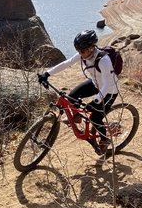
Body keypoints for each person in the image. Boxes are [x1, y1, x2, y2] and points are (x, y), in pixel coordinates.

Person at [37, 29, 119, 157]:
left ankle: (104, 139)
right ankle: (77, 117)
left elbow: (107, 85)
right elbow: (67, 63)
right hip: (95, 83)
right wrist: (47, 74)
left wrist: (96, 101)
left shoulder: (104, 60)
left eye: (82, 51)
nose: (80, 54)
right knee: (71, 97)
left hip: (109, 90)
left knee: (95, 117)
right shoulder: (83, 54)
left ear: (92, 48)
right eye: (78, 51)